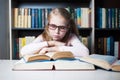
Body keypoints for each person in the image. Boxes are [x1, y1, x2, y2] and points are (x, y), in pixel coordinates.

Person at [20, 8, 89, 57]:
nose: (57, 32)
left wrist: (56, 48)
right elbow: (23, 51)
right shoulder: (44, 36)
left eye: (62, 27)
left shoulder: (71, 37)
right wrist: (51, 43)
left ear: (68, 28)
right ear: (48, 25)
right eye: (53, 26)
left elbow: (85, 53)